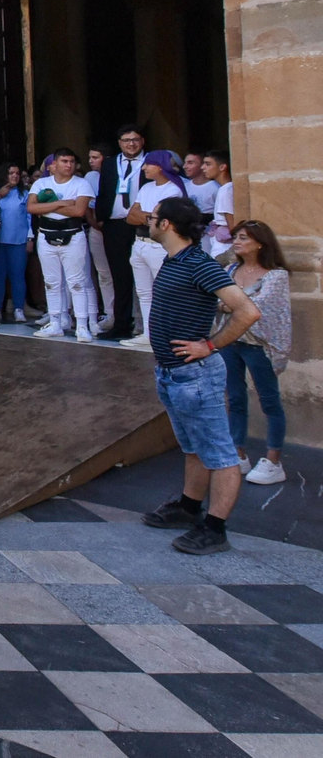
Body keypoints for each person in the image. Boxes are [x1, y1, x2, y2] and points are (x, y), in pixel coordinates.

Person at [139, 198, 260, 555]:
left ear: (167, 225)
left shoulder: (199, 263)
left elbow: (247, 311)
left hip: (196, 375)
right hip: (172, 373)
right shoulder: (172, 260)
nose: (148, 221)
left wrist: (210, 345)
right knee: (192, 445)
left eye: (153, 217)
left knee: (219, 453)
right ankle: (188, 508)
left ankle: (215, 528)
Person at [219, 220, 292, 486]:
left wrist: (229, 304)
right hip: (230, 341)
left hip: (259, 345)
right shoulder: (230, 269)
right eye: (236, 237)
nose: (237, 242)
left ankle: (273, 460)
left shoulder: (276, 275)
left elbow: (259, 308)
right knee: (235, 398)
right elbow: (219, 300)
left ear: (260, 243)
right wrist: (233, 305)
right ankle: (238, 452)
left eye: (244, 238)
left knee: (269, 400)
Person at [27, 148, 96, 341]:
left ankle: (82, 325)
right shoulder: (41, 183)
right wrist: (61, 203)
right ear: (54, 164)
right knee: (52, 282)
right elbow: (32, 207)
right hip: (46, 235)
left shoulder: (82, 184)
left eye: (72, 161)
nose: (69, 165)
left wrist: (47, 207)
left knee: (76, 282)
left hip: (72, 235)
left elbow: (79, 211)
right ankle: (55, 322)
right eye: (64, 161)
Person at [121, 151, 188, 350]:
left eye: (147, 165)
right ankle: (149, 334)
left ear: (159, 166)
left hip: (159, 246)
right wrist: (150, 217)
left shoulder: (173, 190)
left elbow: (163, 222)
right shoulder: (146, 188)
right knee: (144, 292)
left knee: (165, 291)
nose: (144, 168)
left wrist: (146, 217)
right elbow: (131, 215)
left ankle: (167, 334)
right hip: (140, 242)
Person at [95, 124, 148, 340]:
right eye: (126, 140)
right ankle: (122, 324)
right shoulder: (109, 164)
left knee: (146, 277)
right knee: (120, 277)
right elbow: (104, 192)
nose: (131, 144)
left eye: (135, 139)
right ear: (119, 143)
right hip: (114, 225)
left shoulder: (151, 162)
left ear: (142, 141)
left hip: (142, 225)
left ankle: (148, 327)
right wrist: (100, 219)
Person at [0, 163, 31, 323]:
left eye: (17, 174)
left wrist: (30, 238)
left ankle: (18, 308)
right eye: (11, 173)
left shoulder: (24, 194)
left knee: (18, 276)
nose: (14, 176)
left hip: (18, 241)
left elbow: (30, 218)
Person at [83, 145, 117, 330]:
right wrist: (95, 223)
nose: (91, 161)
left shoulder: (116, 174)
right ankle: (110, 314)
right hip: (96, 229)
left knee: (122, 273)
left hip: (115, 228)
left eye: (95, 157)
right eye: (90, 157)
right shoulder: (90, 177)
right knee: (103, 274)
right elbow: (87, 206)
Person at [203, 150, 236, 257]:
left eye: (208, 164)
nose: (203, 167)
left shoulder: (226, 190)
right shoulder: (225, 188)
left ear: (222, 167)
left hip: (224, 244)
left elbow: (231, 224)